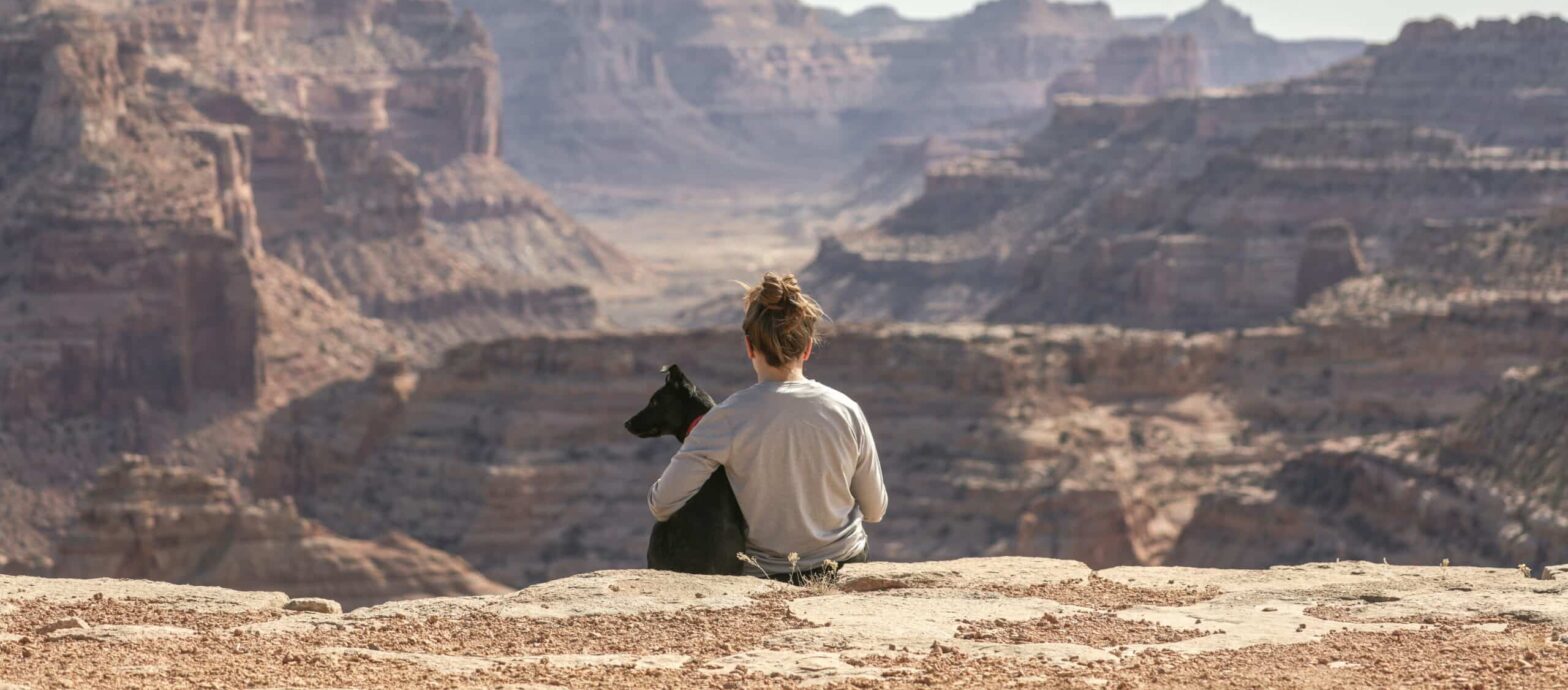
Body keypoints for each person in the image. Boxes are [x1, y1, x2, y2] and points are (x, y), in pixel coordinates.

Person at [648, 273, 888, 583]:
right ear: (807, 349)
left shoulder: (726, 418)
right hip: (844, 565)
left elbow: (661, 504)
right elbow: (875, 510)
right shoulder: (846, 410)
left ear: (749, 346)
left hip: (769, 575)